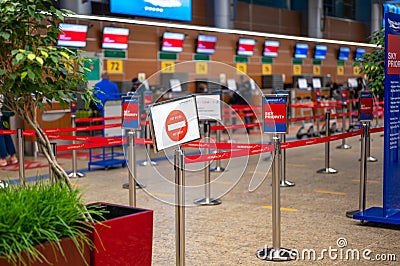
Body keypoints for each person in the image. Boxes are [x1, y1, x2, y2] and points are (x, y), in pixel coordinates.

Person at [0, 98, 17, 166]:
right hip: (5, 112)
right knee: (6, 133)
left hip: (1, 113)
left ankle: (2, 158)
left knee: (1, 135)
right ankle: (13, 157)